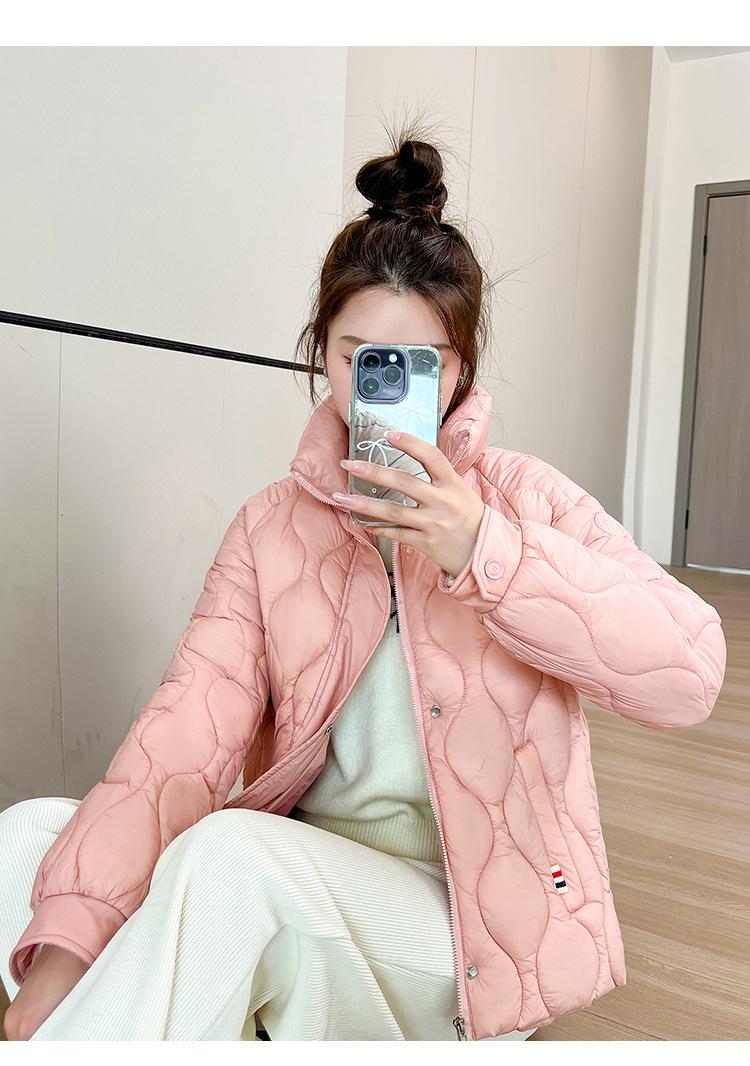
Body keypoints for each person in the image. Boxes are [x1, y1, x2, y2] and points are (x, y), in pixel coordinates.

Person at [0, 127, 727, 1042]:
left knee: (231, 859)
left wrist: (486, 554)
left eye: (420, 365)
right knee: (28, 837)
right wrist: (64, 952)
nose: (385, 389)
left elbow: (690, 674)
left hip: (470, 930)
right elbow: (183, 733)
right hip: (312, 881)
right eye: (360, 360)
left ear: (461, 369)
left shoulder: (525, 504)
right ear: (322, 353)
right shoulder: (271, 527)